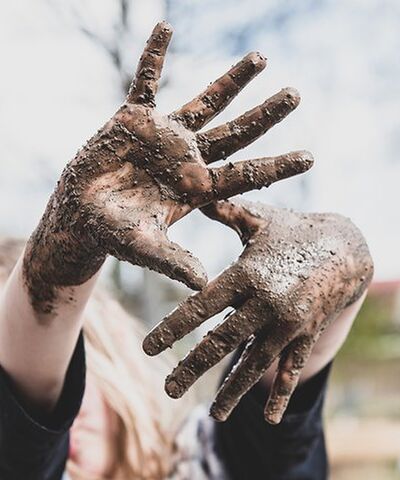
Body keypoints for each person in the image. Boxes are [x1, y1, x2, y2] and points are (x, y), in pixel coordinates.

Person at [0, 22, 373, 480]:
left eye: (67, 355)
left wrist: (337, 261)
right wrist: (61, 251)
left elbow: (274, 442)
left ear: (113, 346)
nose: (49, 401)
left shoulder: (212, 463)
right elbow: (22, 445)